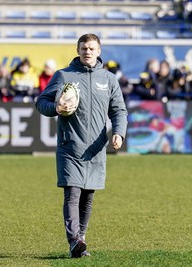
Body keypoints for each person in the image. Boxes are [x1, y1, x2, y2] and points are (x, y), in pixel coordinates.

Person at [35, 33, 128, 258]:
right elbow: (41, 102)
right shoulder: (63, 76)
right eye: (84, 48)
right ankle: (74, 240)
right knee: (72, 193)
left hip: (96, 148)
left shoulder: (108, 79)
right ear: (77, 50)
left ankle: (81, 238)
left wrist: (119, 133)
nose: (88, 51)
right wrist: (55, 108)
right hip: (70, 147)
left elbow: (119, 111)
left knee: (88, 195)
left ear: (99, 52)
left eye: (92, 48)